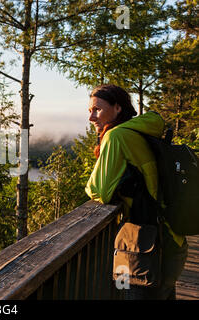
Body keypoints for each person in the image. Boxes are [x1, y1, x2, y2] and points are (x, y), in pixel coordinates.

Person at [84, 84, 188, 300]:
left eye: (97, 110)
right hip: (171, 240)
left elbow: (99, 191)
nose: (91, 117)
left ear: (117, 108)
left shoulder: (116, 137)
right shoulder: (139, 131)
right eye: (90, 111)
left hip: (147, 247)